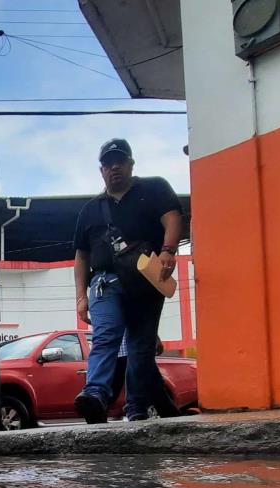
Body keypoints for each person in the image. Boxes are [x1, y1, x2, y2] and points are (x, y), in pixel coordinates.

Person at [72, 138, 183, 424]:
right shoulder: (90, 210)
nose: (114, 168)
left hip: (147, 278)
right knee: (106, 336)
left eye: (120, 161)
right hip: (104, 282)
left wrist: (169, 250)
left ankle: (135, 408)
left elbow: (172, 217)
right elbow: (81, 256)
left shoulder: (155, 188)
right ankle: (95, 396)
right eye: (108, 164)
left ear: (131, 164)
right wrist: (81, 297)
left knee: (140, 346)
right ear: (101, 171)